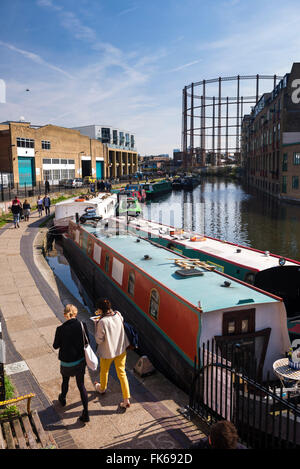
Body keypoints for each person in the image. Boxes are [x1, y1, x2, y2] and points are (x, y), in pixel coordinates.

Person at [53, 304, 90, 423]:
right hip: (79, 362)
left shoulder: (60, 329)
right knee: (81, 385)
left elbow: (55, 346)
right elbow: (87, 342)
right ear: (76, 313)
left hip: (66, 363)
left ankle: (62, 398)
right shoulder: (82, 325)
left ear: (65, 315)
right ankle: (86, 413)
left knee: (65, 380)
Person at [94, 298, 131, 410]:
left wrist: (96, 325)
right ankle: (126, 399)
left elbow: (98, 340)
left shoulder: (101, 322)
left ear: (100, 310)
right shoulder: (118, 314)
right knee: (122, 373)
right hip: (120, 349)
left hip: (108, 351)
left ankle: (102, 388)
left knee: (104, 370)